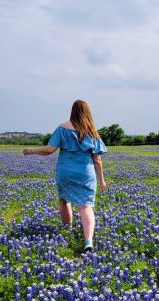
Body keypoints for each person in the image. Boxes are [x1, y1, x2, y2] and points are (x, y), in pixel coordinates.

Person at [23, 99, 107, 253]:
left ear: (72, 111)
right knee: (85, 206)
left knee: (64, 201)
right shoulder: (93, 132)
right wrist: (101, 179)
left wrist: (32, 150)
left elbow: (49, 149)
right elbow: (98, 160)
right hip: (85, 174)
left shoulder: (62, 128)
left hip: (65, 172)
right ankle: (88, 240)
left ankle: (67, 230)